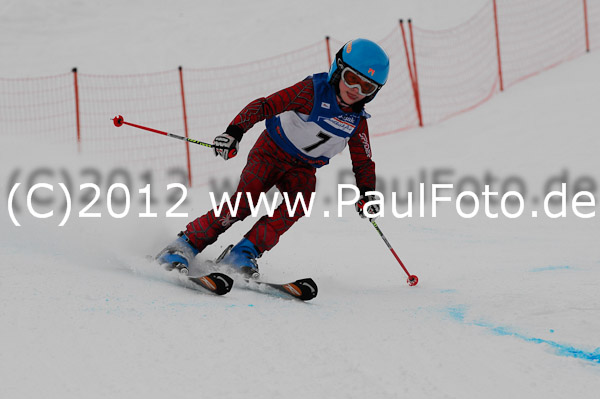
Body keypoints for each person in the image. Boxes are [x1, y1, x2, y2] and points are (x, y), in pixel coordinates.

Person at [156, 38, 389, 278]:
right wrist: (234, 131)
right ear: (338, 70)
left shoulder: (357, 121)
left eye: (366, 87)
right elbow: (266, 105)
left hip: (304, 168)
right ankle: (183, 246)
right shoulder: (312, 91)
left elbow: (363, 161)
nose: (356, 91)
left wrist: (367, 193)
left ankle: (243, 253)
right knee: (244, 203)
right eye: (352, 79)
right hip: (271, 152)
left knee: (298, 205)